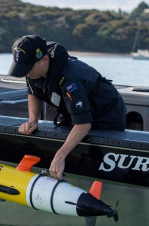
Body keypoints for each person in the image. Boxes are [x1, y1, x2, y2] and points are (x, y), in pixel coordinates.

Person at [7, 34, 126, 179]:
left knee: (99, 161)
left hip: (106, 114)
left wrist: (59, 156)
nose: (24, 73)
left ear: (44, 60)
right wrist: (33, 120)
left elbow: (83, 124)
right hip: (76, 114)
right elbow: (33, 92)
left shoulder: (70, 78)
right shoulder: (33, 71)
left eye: (27, 69)